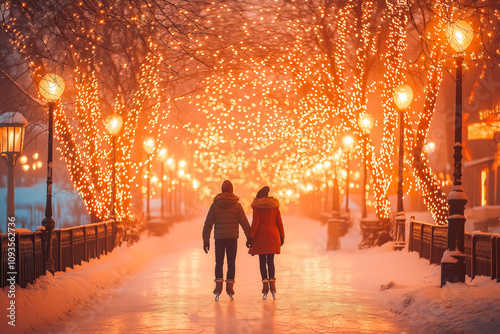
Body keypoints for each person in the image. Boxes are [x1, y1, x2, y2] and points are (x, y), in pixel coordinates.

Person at [202, 180, 251, 301]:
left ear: (222, 190)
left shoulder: (215, 205)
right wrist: (249, 237)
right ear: (232, 190)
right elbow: (244, 222)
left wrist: (206, 240)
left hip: (219, 239)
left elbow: (208, 224)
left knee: (219, 263)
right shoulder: (237, 205)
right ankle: (230, 289)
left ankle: (218, 288)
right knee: (231, 264)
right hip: (232, 238)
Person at [246, 186, 285, 300]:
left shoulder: (257, 208)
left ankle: (265, 286)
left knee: (262, 261)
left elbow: (255, 223)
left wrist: (251, 237)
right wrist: (282, 235)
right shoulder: (274, 207)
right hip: (273, 235)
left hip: (261, 236)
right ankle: (273, 285)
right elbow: (279, 222)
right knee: (271, 261)